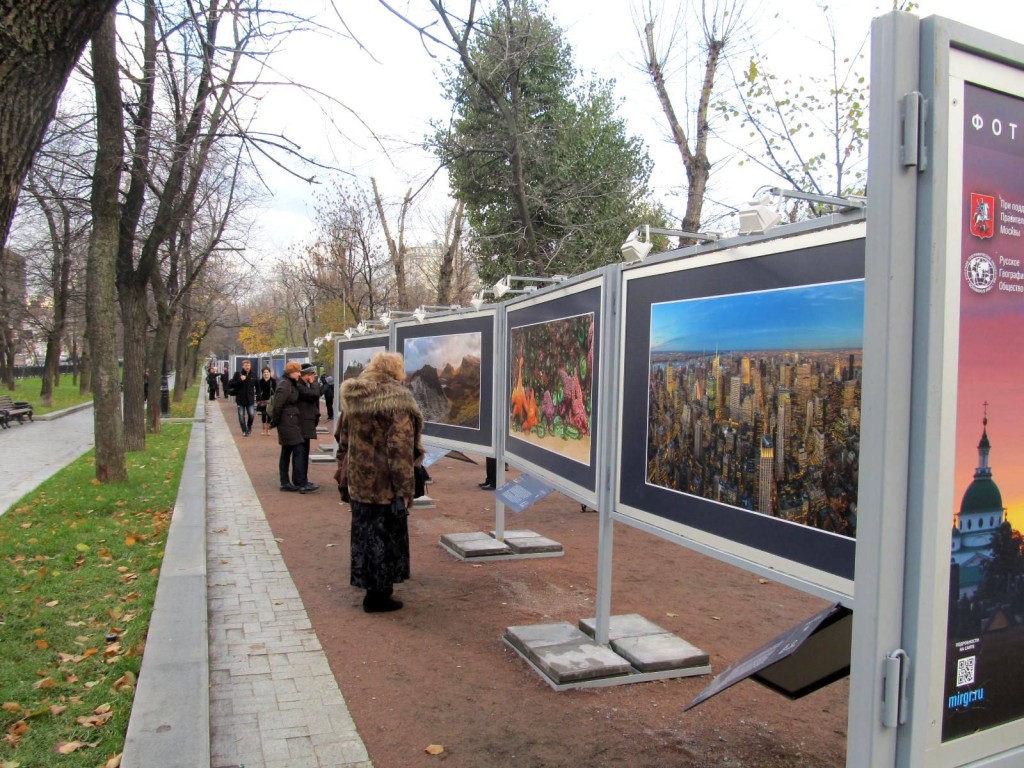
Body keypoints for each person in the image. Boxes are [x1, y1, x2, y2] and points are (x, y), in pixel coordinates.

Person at [335, 351, 424, 613]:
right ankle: (379, 596)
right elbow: (400, 450)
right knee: (386, 538)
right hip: (385, 486)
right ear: (395, 371)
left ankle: (369, 587)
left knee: (364, 535)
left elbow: (343, 441)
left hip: (360, 483)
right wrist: (404, 491)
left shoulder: (355, 398)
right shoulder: (396, 402)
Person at [272, 362, 319, 494]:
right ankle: (296, 482)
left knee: (287, 452)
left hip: (290, 420)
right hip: (288, 421)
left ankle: (287, 482)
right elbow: (278, 405)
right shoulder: (286, 384)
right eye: (298, 371)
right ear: (291, 372)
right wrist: (276, 422)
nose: (299, 374)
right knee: (296, 450)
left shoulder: (289, 383)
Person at [295, 364, 323, 491]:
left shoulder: (304, 385)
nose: (313, 378)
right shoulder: (300, 386)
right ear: (306, 375)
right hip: (302, 423)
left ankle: (302, 479)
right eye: (312, 375)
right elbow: (315, 394)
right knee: (301, 453)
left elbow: (318, 392)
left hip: (306, 422)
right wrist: (313, 383)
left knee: (304, 452)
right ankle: (301, 482)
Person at [227, 359, 258, 436]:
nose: (247, 367)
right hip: (240, 399)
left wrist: (258, 398)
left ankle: (249, 426)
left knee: (251, 415)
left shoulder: (254, 375)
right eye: (245, 366)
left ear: (250, 366)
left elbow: (258, 387)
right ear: (243, 366)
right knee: (241, 416)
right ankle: (244, 430)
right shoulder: (238, 374)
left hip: (250, 399)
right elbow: (232, 384)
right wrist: (240, 380)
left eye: (248, 365)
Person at [255, 366, 276, 436]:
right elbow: (258, 391)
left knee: (269, 414)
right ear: (262, 373)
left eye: (267, 372)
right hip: (263, 399)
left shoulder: (273, 381)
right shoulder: (260, 381)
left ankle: (268, 430)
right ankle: (264, 430)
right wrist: (258, 399)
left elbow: (275, 390)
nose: (266, 374)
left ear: (269, 373)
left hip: (270, 400)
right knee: (263, 414)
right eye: (264, 372)